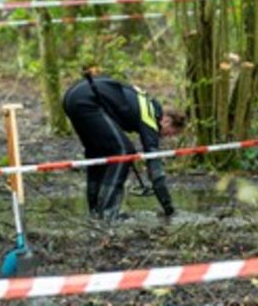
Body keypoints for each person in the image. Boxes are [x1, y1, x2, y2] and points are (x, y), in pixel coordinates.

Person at [63, 70, 186, 222]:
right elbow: (154, 165)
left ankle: (95, 214)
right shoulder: (151, 115)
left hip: (72, 97)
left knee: (97, 154)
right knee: (124, 152)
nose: (165, 137)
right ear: (166, 120)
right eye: (169, 133)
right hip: (88, 100)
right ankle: (108, 215)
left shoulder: (144, 103)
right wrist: (169, 208)